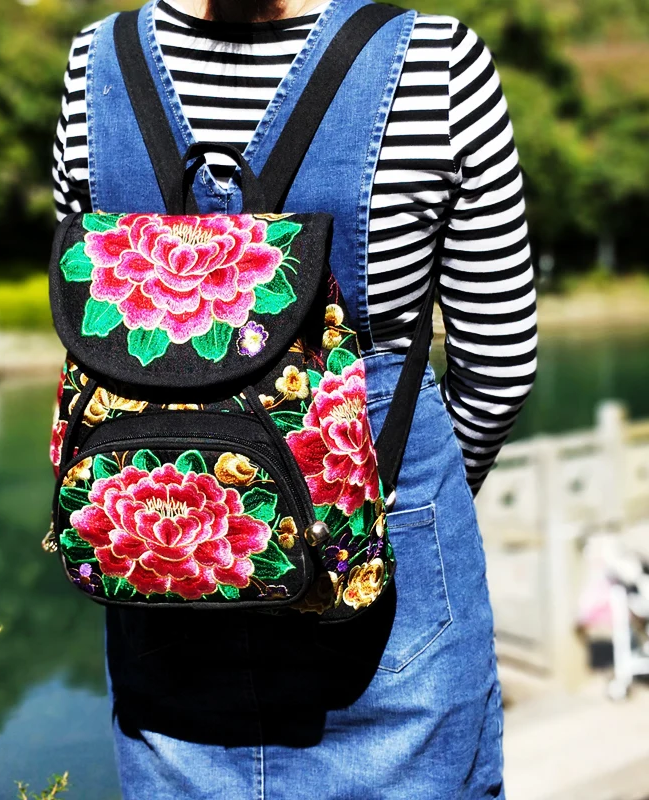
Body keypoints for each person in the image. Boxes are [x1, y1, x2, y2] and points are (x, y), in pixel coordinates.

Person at [52, 0, 537, 797]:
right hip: (386, 592)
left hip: (165, 570)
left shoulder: (97, 64)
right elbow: (500, 367)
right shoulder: (438, 62)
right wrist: (389, 507)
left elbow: (89, 323)